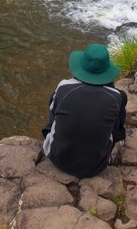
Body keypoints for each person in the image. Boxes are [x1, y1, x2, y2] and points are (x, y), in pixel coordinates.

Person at [41, 43, 128, 178]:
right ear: (106, 70)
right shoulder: (118, 96)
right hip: (95, 166)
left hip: (57, 158)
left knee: (56, 106)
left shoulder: (64, 87)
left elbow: (53, 108)